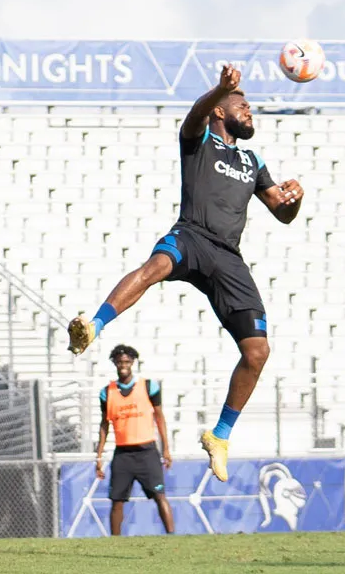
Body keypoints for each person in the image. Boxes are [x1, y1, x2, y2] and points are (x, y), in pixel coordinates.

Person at [67, 65, 305, 482]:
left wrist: (295, 199)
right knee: (156, 266)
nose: (250, 112)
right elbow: (193, 117)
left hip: (228, 256)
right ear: (219, 111)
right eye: (242, 106)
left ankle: (220, 435)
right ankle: (92, 326)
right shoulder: (200, 139)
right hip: (192, 234)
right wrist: (219, 89)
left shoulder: (252, 160)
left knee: (258, 351)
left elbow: (282, 213)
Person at [95, 345, 174, 536]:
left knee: (159, 495)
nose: (123, 365)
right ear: (114, 363)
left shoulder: (148, 386)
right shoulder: (107, 392)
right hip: (123, 453)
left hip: (147, 451)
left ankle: (172, 536)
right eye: (120, 362)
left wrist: (165, 449)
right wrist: (99, 455)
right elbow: (104, 424)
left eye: (127, 362)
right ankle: (115, 542)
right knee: (117, 500)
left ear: (133, 363)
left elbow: (159, 417)